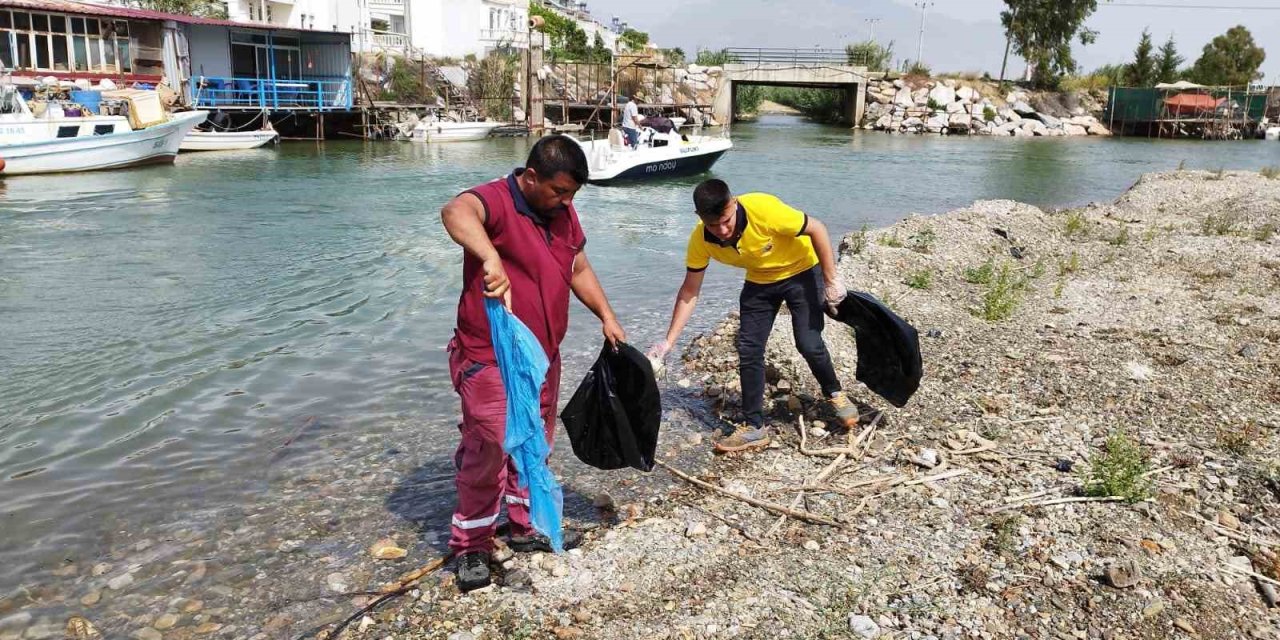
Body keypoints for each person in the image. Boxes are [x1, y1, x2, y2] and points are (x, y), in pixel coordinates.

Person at [440, 134, 627, 592]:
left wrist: (607, 316)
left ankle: (526, 526)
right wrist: (489, 257)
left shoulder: (562, 214)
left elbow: (578, 268)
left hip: (542, 356)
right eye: (559, 191)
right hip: (489, 356)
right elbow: (455, 211)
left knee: (536, 443)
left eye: (572, 194)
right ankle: (472, 545)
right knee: (489, 446)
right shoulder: (496, 201)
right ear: (529, 177)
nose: (566, 202)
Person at [648, 179, 860, 453]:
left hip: (803, 270)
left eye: (726, 221)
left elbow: (817, 228)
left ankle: (835, 393)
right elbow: (689, 291)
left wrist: (832, 281)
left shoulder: (764, 210)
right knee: (749, 348)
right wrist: (668, 342)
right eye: (713, 225)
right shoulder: (700, 239)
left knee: (808, 342)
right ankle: (754, 427)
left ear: (733, 203)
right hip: (760, 281)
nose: (722, 231)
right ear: (699, 217)